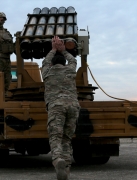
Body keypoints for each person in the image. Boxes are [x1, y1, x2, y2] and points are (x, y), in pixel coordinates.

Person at [41, 36, 80, 180]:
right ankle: (67, 168)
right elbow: (73, 60)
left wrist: (53, 50)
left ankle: (58, 160)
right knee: (66, 138)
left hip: (56, 106)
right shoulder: (70, 71)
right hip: (73, 106)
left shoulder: (47, 73)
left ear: (51, 64)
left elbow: (44, 62)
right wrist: (64, 50)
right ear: (64, 64)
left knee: (55, 137)